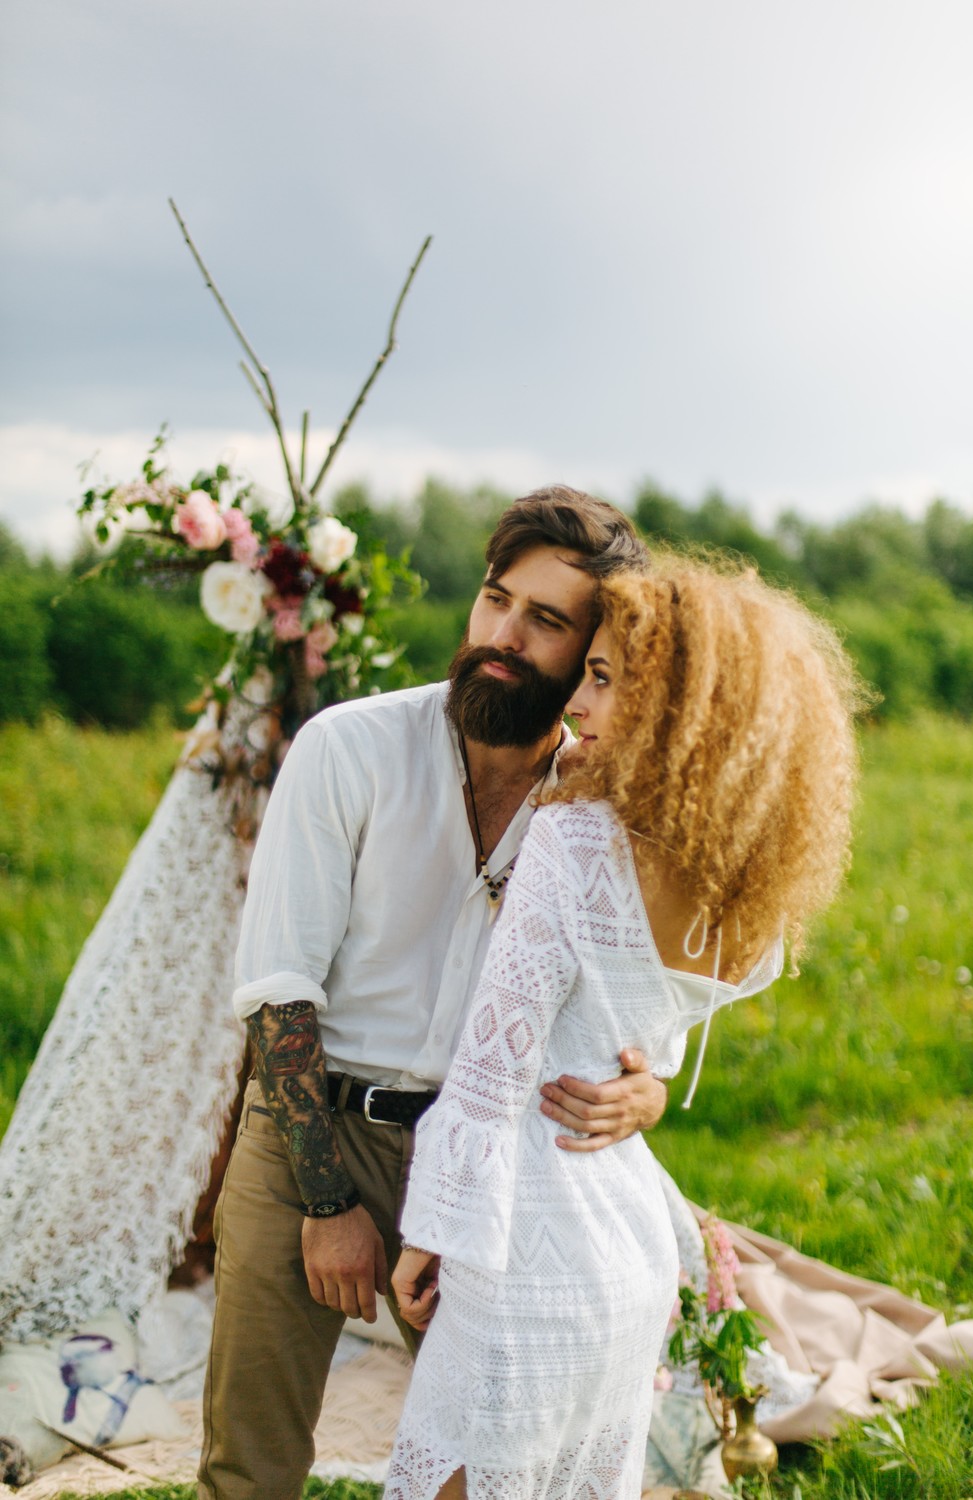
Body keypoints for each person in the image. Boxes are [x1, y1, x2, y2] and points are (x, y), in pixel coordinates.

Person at [198, 487, 665, 1500]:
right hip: (307, 1130)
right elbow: (278, 997)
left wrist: (648, 1090)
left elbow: (637, 1000)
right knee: (251, 1469)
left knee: (488, 1462)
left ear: (595, 656)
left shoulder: (605, 807)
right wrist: (326, 1205)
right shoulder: (349, 747)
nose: (503, 635)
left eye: (546, 622)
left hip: (488, 1162)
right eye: (496, 599)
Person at [385, 554, 865, 1499]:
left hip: (522, 1239)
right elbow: (653, 1045)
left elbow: (490, 1078)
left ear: (681, 711)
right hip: (632, 1245)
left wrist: (428, 1237)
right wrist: (642, 1089)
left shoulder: (573, 839)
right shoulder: (751, 895)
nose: (582, 704)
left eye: (606, 681)